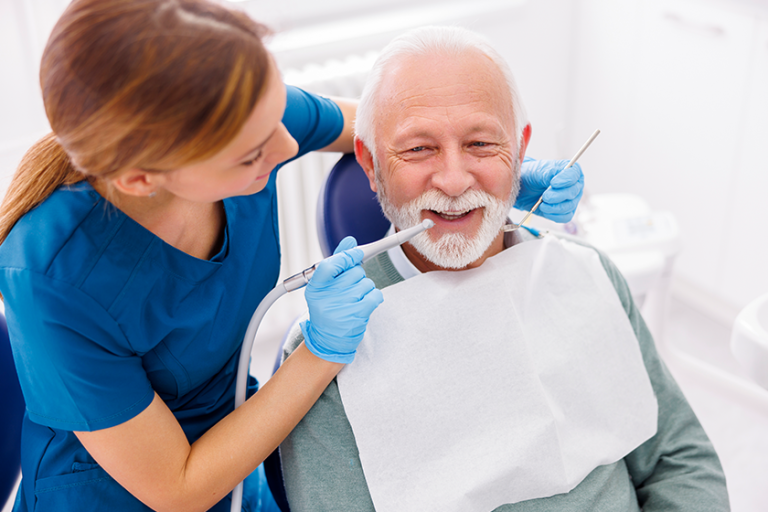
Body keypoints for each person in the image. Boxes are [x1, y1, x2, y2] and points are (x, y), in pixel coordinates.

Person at [0, 2, 584, 512]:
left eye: (277, 111)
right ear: (141, 178)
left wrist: (483, 178)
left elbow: (383, 132)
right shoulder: (51, 277)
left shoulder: (244, 107)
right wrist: (319, 352)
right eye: (255, 152)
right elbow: (178, 489)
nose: (285, 149)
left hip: (239, 444)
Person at [278, 26, 730, 511]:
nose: (453, 181)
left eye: (480, 144)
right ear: (370, 163)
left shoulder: (587, 275)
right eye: (417, 149)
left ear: (519, 151)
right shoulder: (324, 357)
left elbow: (681, 461)